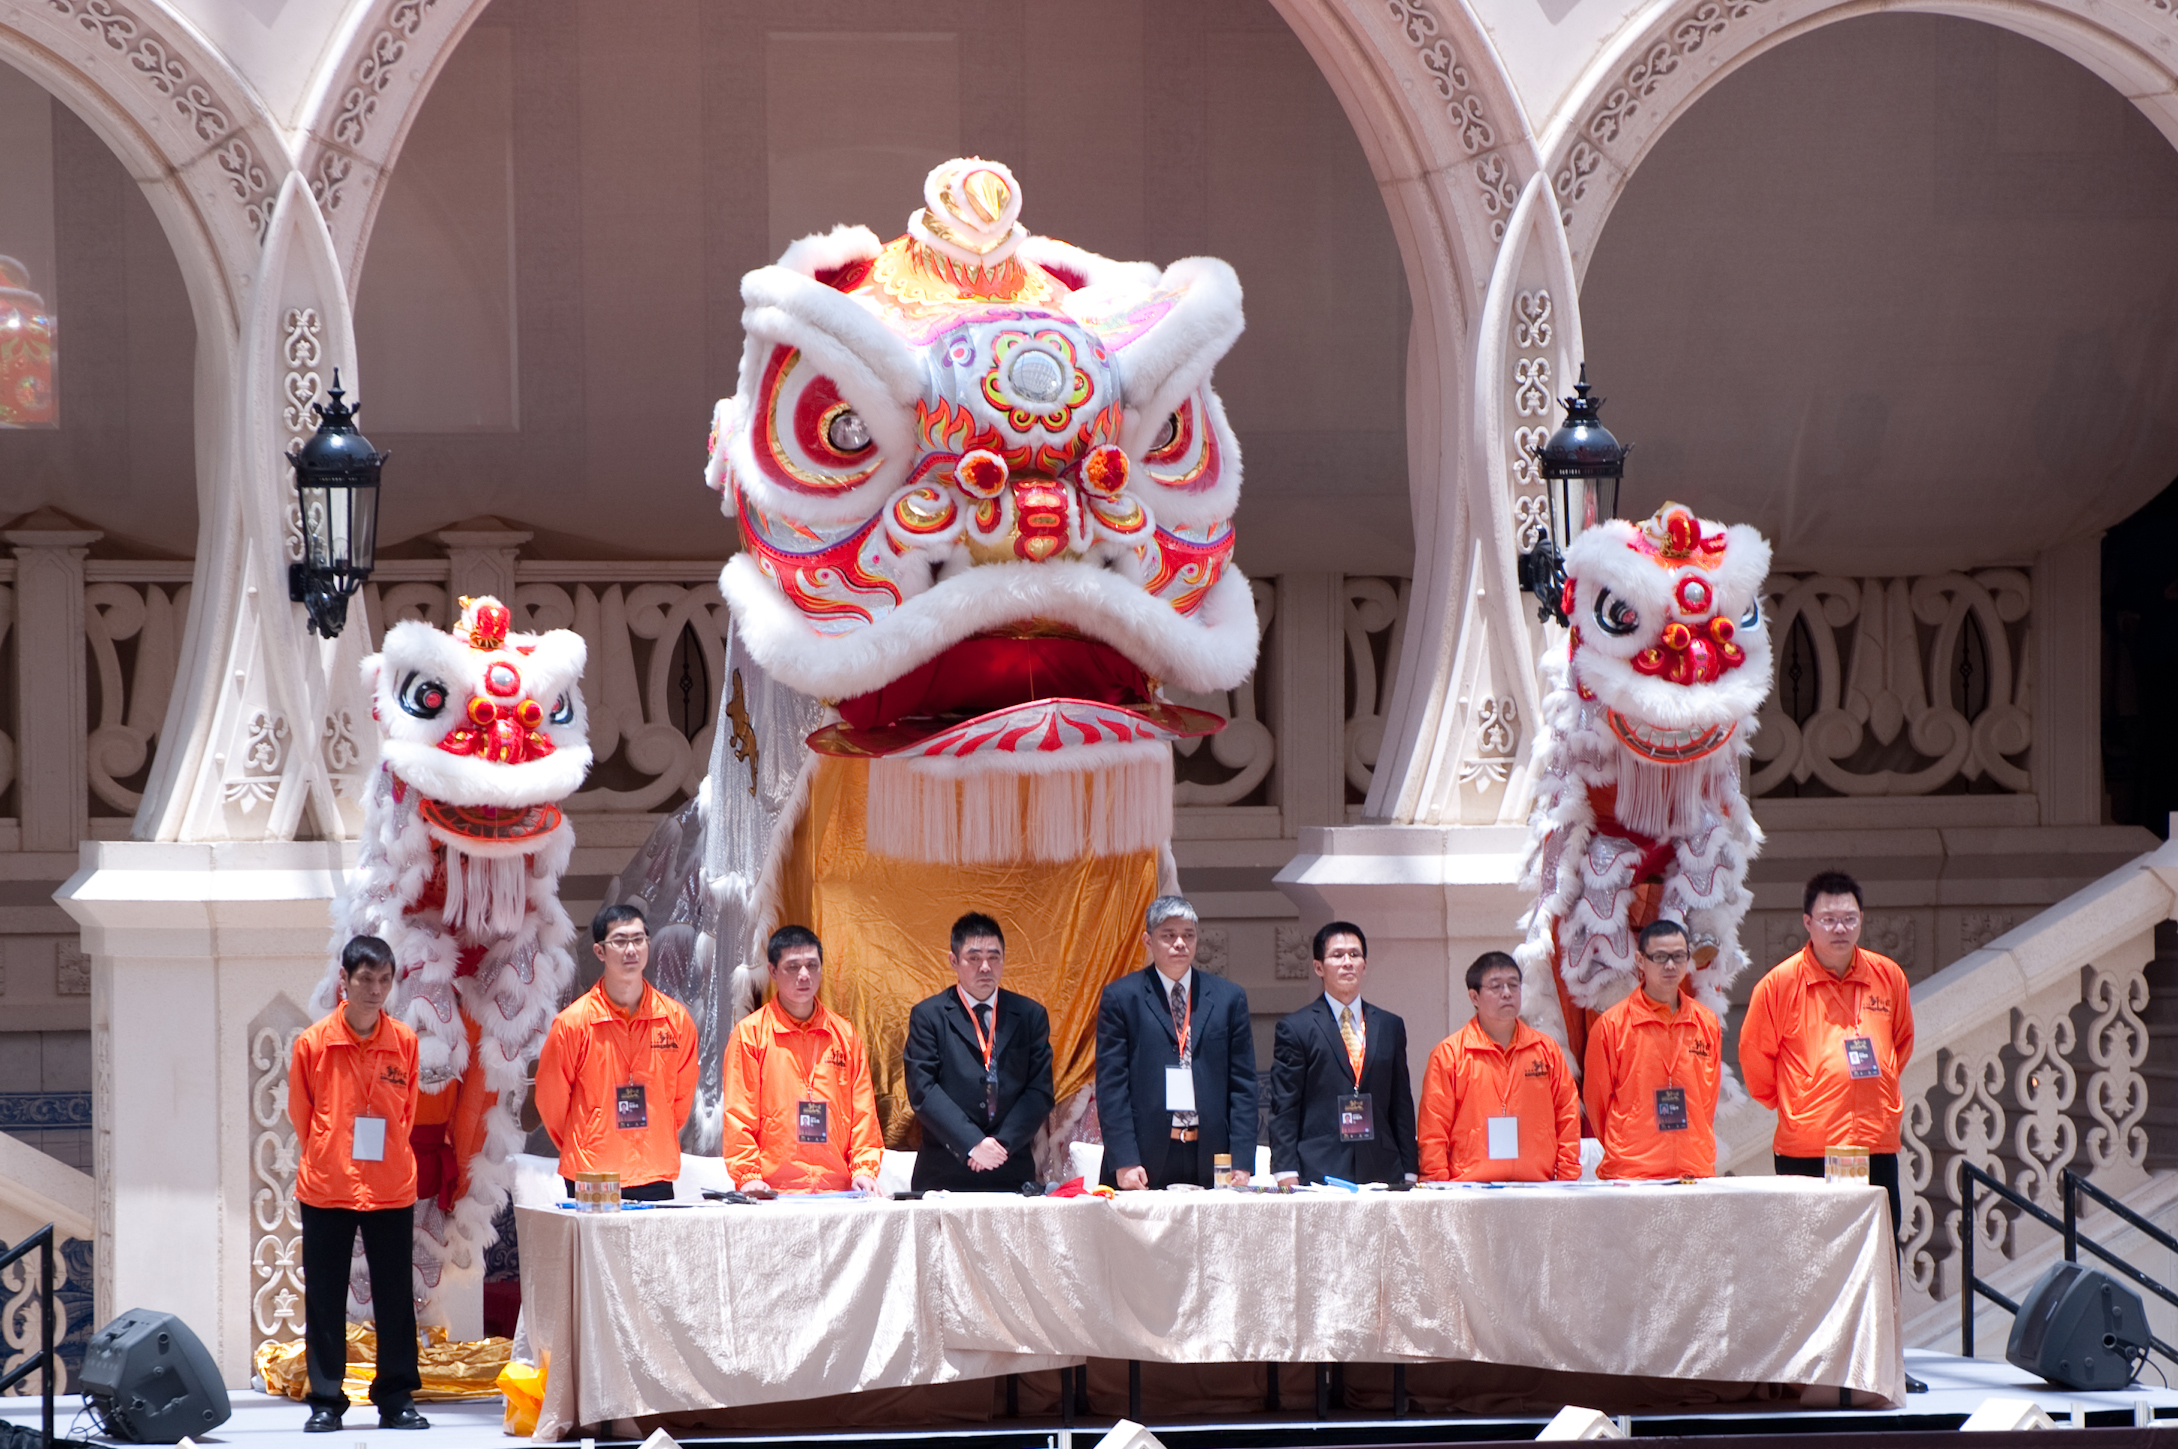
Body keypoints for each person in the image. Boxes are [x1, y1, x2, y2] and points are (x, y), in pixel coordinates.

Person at [288, 936, 427, 1433]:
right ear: (343, 980)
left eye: (384, 980)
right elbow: (302, 1116)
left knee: (394, 1296)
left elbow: (407, 1111)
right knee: (324, 1297)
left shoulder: (404, 1042)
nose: (375, 989)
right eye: (365, 979)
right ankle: (326, 1399)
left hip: (390, 1184)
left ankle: (395, 1398)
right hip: (328, 1185)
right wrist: (330, 1148)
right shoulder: (314, 1043)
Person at [1740, 869, 1916, 1234]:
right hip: (1807, 1148)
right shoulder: (1779, 984)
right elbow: (1755, 1060)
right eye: (1829, 920)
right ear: (1808, 922)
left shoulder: (1888, 976)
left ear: (1861, 920)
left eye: (1849, 919)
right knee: (1809, 1257)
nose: (1840, 928)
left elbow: (1900, 1044)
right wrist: (1801, 1100)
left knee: (1877, 1253)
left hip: (1874, 1144)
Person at [534, 904, 699, 1201]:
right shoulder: (573, 1023)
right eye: (620, 941)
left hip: (654, 1170)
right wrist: (587, 1136)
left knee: (653, 1249)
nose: (631, 950)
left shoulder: (675, 1019)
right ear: (600, 951)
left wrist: (655, 1130)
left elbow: (680, 1100)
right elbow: (551, 1101)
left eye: (639, 939)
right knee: (598, 1249)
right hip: (594, 1171)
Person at [1095, 895, 1257, 1189]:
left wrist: (1243, 1159)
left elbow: (1243, 1085)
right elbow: (1111, 1087)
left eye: (1188, 935)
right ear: (1148, 940)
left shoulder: (1228, 998)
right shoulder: (1121, 998)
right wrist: (1125, 1160)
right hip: (1145, 1155)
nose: (1180, 943)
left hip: (1212, 1155)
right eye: (1168, 936)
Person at [722, 925, 884, 1195]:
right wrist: (748, 1175)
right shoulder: (750, 1034)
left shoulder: (844, 1034)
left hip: (839, 1190)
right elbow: (739, 1114)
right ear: (773, 971)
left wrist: (863, 1170)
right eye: (793, 967)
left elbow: (864, 1113)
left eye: (812, 965)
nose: (804, 975)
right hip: (773, 1191)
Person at [903, 912, 1055, 1191]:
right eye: (974, 958)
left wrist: (1000, 1145)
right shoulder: (929, 1016)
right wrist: (972, 1143)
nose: (985, 967)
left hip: (1009, 1168)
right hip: (944, 1172)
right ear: (954, 961)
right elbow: (922, 1090)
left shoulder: (1030, 1015)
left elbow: (1039, 1091)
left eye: (994, 957)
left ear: (1004, 959)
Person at [1268, 921, 1417, 1186]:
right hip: (1320, 1167)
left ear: (1364, 965)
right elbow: (1285, 1106)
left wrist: (1409, 1169)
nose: (1347, 962)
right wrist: (1285, 1171)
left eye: (1355, 954)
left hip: (1382, 1167)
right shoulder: (1296, 1027)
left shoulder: (1390, 1025)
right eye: (1337, 955)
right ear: (1318, 967)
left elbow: (1401, 1103)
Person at [1416, 951, 1580, 1182]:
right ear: (1474, 997)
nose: (1507, 993)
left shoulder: (1547, 1050)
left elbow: (1567, 1115)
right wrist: (1439, 1187)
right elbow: (1434, 1127)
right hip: (1469, 1188)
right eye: (1496, 986)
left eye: (1514, 985)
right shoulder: (1450, 1054)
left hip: (1536, 1186)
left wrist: (1567, 1180)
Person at [1583, 918, 1723, 1180]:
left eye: (1678, 956)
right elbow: (1596, 1102)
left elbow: (1708, 1098)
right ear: (1640, 961)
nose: (1670, 965)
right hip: (1632, 1172)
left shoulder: (1706, 1021)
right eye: (1659, 957)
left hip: (1693, 1169)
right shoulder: (1611, 1025)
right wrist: (1626, 1142)